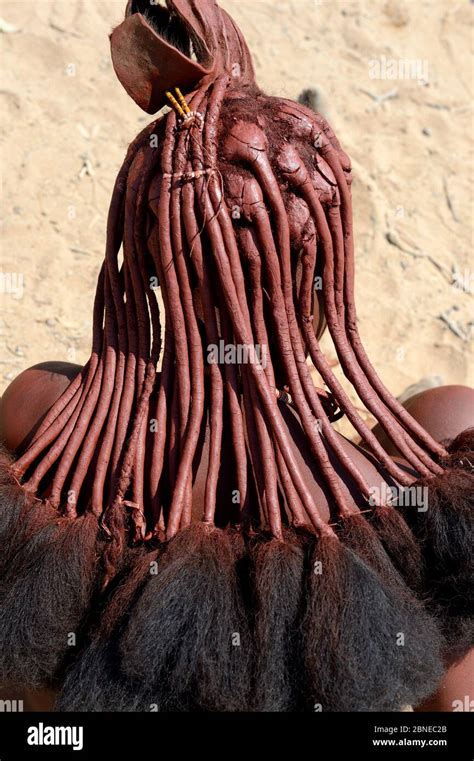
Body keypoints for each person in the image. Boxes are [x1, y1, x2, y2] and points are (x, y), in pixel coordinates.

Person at [0, 0, 472, 712]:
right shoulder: (421, 473)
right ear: (319, 279)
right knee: (445, 405)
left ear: (146, 268)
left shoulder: (44, 428)